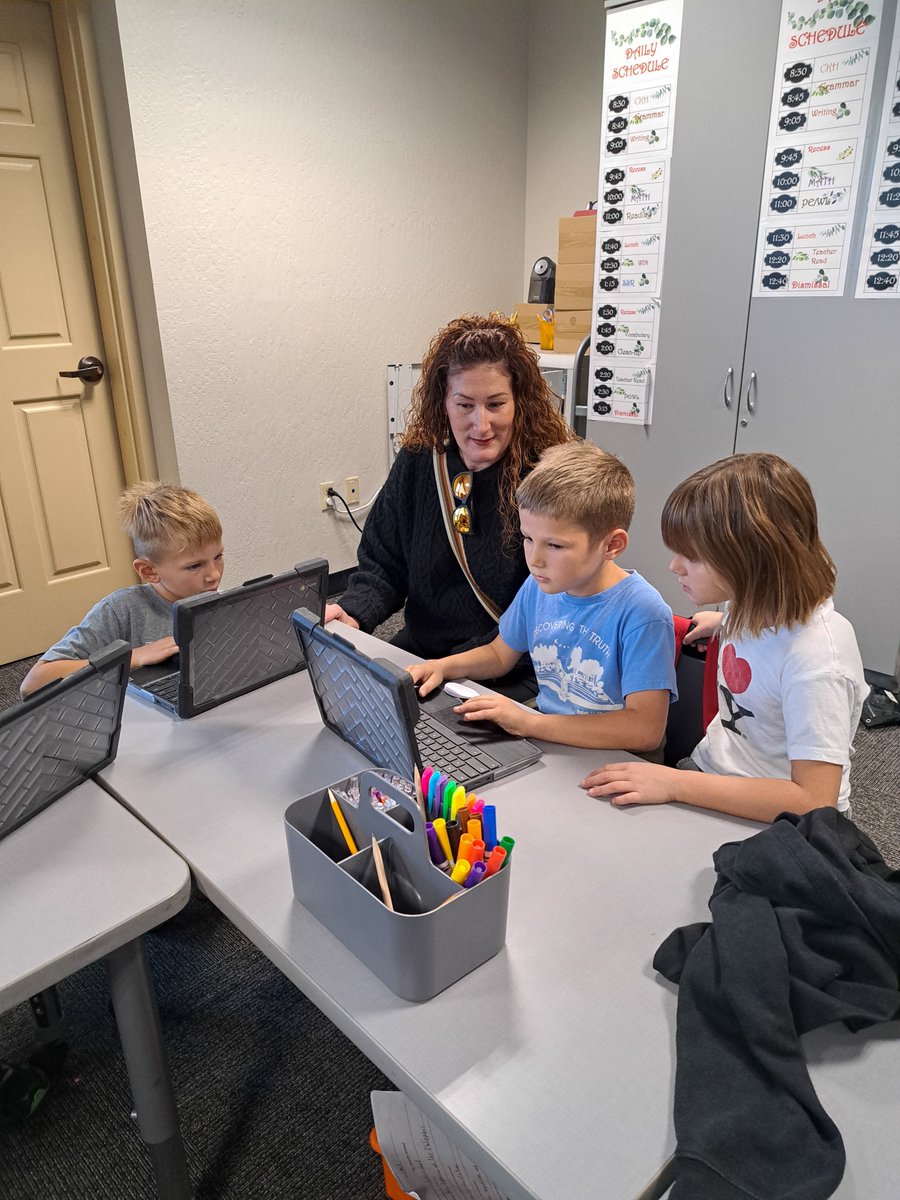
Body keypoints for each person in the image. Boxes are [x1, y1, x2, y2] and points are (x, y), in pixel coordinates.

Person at [581, 452, 867, 822]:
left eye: (692, 557)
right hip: (714, 770)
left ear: (753, 561)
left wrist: (673, 784)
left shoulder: (818, 662)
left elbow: (813, 800)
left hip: (778, 818)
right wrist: (721, 621)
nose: (675, 566)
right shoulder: (753, 601)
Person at [324, 314, 573, 691]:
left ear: (519, 402)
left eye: (495, 404)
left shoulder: (548, 475)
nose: (481, 425)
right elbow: (383, 562)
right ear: (443, 402)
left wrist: (453, 665)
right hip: (424, 653)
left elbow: (557, 607)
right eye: (464, 405)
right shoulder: (420, 461)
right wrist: (354, 611)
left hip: (510, 666)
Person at [407, 441, 676, 753]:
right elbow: (498, 655)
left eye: (555, 546)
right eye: (528, 539)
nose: (534, 559)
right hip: (553, 740)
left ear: (612, 545)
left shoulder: (643, 612)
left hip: (620, 761)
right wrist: (443, 666)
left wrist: (528, 722)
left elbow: (644, 730)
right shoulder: (541, 585)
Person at [20, 482, 224, 697]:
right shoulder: (122, 609)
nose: (215, 575)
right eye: (195, 566)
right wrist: (133, 658)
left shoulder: (212, 600)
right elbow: (34, 683)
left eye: (218, 557)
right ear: (149, 571)